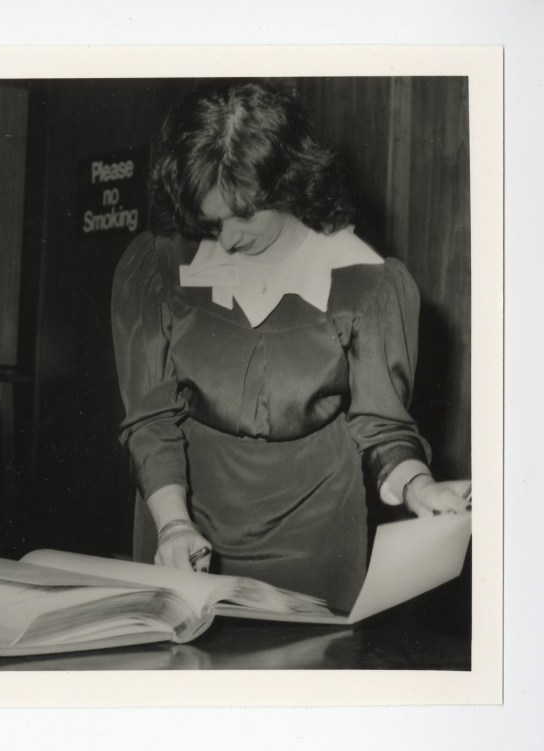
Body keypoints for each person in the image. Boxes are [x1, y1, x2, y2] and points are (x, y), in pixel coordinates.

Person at [111, 82, 470, 611]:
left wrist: (419, 487)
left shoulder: (368, 283)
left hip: (317, 535)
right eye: (211, 219)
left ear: (291, 185)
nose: (227, 239)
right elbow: (150, 420)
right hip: (180, 518)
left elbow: (382, 425)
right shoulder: (159, 267)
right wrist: (173, 526)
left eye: (245, 214)